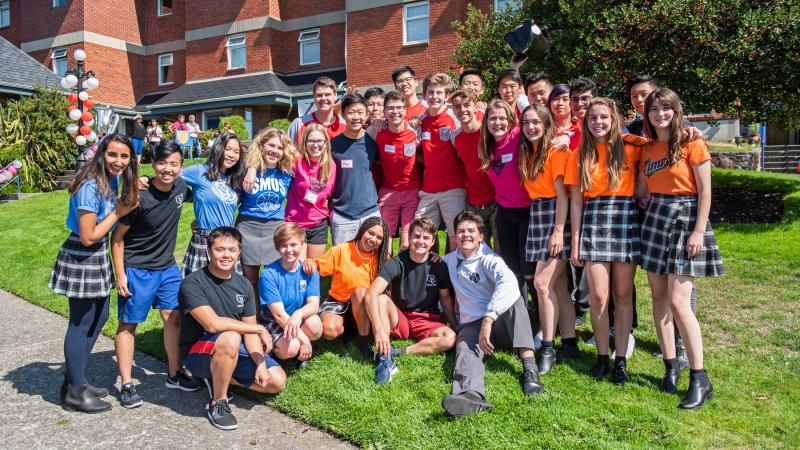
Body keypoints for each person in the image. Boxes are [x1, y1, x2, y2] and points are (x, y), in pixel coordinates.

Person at [639, 88, 722, 409]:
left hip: (686, 218)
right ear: (647, 114)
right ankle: (670, 368)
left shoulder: (692, 142)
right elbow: (643, 188)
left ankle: (700, 377)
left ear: (676, 111)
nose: (660, 114)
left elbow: (705, 192)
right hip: (656, 218)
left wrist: (699, 230)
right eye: (654, 109)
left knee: (678, 301)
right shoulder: (646, 148)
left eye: (666, 108)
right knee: (658, 299)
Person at [49, 133, 139, 413]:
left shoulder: (109, 180)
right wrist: (119, 211)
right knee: (81, 321)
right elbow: (88, 236)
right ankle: (75, 391)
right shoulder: (90, 186)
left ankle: (75, 378)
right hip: (82, 253)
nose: (119, 161)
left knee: (100, 316)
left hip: (96, 255)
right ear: (101, 154)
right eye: (113, 155)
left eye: (124, 156)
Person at [111, 141, 199, 409]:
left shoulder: (183, 189)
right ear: (153, 164)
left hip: (167, 267)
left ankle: (174, 374)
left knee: (173, 318)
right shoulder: (139, 197)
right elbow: (117, 239)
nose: (167, 169)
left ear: (181, 167)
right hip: (137, 269)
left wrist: (199, 223)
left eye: (174, 164)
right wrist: (121, 275)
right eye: (162, 163)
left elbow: (206, 194)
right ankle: (126, 384)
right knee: (129, 324)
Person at [565, 98, 645, 385]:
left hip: (624, 218)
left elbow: (665, 140)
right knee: (599, 297)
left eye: (604, 117)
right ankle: (601, 356)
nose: (598, 122)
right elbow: (575, 202)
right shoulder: (579, 153)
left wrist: (690, 132)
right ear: (586, 122)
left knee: (623, 295)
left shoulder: (632, 146)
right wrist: (575, 241)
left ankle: (620, 359)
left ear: (614, 119)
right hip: (594, 221)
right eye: (592, 118)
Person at [180, 227, 286, 430]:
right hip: (198, 352)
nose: (226, 255)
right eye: (220, 249)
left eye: (232, 250)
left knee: (276, 381)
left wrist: (260, 362)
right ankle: (218, 402)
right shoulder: (192, 283)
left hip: (232, 348)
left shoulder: (244, 285)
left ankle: (218, 375)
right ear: (208, 251)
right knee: (230, 336)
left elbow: (249, 330)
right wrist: (256, 329)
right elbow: (212, 324)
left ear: (238, 253)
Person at [441, 211, 542, 418]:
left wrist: (489, 317)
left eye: (471, 231)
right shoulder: (448, 261)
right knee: (464, 348)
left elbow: (508, 283)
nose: (465, 235)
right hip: (473, 326)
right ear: (454, 236)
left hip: (502, 326)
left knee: (515, 300)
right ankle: (470, 395)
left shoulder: (491, 259)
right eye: (461, 231)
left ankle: (530, 371)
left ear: (481, 236)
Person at [519, 103, 578, 374]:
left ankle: (547, 347)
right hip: (538, 213)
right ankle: (569, 342)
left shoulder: (555, 152)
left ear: (546, 125)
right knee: (560, 285)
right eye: (527, 122)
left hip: (556, 216)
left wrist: (558, 230)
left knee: (542, 285)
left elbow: (563, 195)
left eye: (536, 123)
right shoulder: (529, 154)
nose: (531, 127)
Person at [365, 218, 458, 384]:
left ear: (433, 242)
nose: (420, 241)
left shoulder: (439, 265)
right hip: (401, 317)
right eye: (416, 236)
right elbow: (371, 294)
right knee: (381, 299)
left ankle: (398, 351)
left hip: (427, 319)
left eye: (426, 238)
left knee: (449, 337)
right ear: (409, 238)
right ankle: (384, 359)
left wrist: (455, 324)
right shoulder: (397, 262)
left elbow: (445, 298)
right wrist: (378, 330)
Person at [303, 217, 390, 359]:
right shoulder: (341, 250)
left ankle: (363, 342)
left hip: (364, 303)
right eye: (371, 233)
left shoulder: (382, 257)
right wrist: (308, 261)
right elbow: (316, 267)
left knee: (360, 292)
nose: (373, 239)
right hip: (338, 301)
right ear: (362, 231)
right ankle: (347, 329)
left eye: (379, 237)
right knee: (330, 330)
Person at [478, 99, 533, 299]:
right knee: (511, 268)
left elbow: (537, 122)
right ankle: (519, 310)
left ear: (511, 120)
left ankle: (539, 310)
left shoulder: (518, 136)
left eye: (502, 118)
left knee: (529, 268)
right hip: (504, 211)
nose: (498, 123)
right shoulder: (487, 145)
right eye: (493, 118)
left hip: (527, 210)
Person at [180, 132, 247, 276]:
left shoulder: (235, 180)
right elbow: (170, 177)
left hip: (228, 240)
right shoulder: (200, 171)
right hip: (204, 240)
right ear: (218, 148)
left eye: (236, 152)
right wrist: (147, 179)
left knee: (227, 292)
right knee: (198, 291)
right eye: (228, 149)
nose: (232, 155)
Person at [238, 128, 295, 294]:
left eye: (279, 148)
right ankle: (252, 316)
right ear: (261, 146)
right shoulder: (246, 170)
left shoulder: (287, 173)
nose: (274, 151)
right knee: (250, 281)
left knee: (274, 279)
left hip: (275, 229)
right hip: (248, 227)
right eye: (271, 145)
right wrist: (251, 168)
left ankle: (272, 316)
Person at [414, 73, 466, 251]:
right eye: (430, 93)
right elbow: (417, 151)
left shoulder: (455, 117)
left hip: (453, 187)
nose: (434, 97)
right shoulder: (420, 122)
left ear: (446, 96)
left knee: (454, 235)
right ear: (424, 95)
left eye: (439, 93)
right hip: (428, 189)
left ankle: (453, 275)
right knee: (422, 233)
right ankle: (430, 274)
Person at [258, 222, 323, 365]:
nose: (289, 250)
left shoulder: (309, 270)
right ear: (276, 247)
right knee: (291, 347)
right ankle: (277, 349)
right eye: (283, 245)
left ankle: (301, 347)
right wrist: (304, 340)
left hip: (295, 317)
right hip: (274, 320)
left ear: (302, 244)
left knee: (315, 326)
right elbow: (279, 315)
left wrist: (298, 314)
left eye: (293, 245)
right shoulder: (268, 274)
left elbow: (313, 305)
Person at [329, 93, 381, 244]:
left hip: (370, 212)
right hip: (342, 214)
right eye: (351, 112)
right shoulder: (333, 145)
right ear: (344, 115)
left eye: (360, 112)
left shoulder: (372, 141)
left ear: (366, 115)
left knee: (372, 262)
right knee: (343, 262)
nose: (356, 117)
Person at [374, 90, 422, 251]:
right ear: (385, 111)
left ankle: (405, 274)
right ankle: (386, 273)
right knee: (384, 239)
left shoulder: (415, 130)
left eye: (399, 107)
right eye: (390, 108)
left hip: (412, 190)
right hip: (388, 191)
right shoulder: (377, 131)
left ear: (405, 110)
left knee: (407, 242)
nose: (395, 111)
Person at [450, 90, 497, 247]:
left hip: (497, 199)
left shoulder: (489, 132)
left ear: (476, 107)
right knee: (478, 248)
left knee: (501, 246)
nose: (462, 110)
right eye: (457, 106)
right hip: (474, 201)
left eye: (467, 105)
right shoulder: (455, 137)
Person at [285, 124, 336, 259]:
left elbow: (329, 192)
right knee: (297, 266)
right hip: (295, 222)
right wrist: (252, 169)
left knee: (312, 267)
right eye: (311, 141)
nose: (315, 145)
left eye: (320, 141)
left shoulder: (330, 165)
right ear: (305, 142)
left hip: (318, 223)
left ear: (326, 143)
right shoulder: (296, 163)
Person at [288, 76, 346, 144]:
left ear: (335, 95)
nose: (323, 98)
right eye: (319, 95)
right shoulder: (299, 124)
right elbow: (287, 152)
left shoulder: (346, 126)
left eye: (327, 94)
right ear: (314, 97)